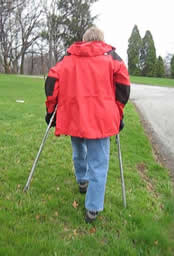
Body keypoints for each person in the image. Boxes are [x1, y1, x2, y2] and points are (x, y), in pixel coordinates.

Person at [45, 26, 130, 223]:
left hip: (75, 115)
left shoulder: (68, 58)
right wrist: (118, 111)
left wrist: (51, 110)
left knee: (79, 150)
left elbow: (51, 82)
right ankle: (92, 208)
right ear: (101, 40)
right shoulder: (113, 58)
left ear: (84, 40)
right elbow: (124, 86)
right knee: (99, 163)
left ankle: (82, 181)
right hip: (101, 119)